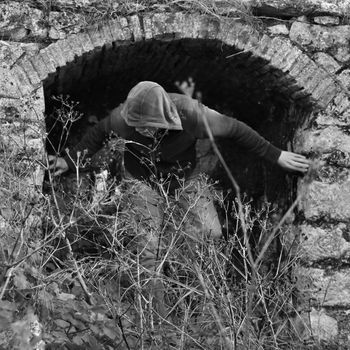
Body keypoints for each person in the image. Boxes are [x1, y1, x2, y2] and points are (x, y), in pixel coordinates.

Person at [48, 80, 309, 317]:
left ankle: (201, 306)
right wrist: (67, 161)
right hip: (141, 178)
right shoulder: (123, 117)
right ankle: (158, 320)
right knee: (147, 248)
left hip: (186, 177)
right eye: (135, 125)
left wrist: (276, 155)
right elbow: (97, 135)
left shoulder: (192, 114)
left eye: (145, 126)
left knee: (210, 233)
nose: (138, 129)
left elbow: (236, 129)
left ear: (162, 117)